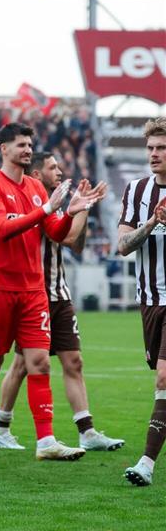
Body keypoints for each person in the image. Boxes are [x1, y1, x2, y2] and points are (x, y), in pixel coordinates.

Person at [0, 123, 105, 461]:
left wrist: (73, 211)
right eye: (21, 144)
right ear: (3, 148)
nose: (28, 149)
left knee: (40, 362)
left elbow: (56, 233)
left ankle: (46, 441)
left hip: (34, 289)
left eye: (30, 144)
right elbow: (0, 230)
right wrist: (45, 210)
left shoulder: (35, 186)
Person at [0, 153, 123, 453]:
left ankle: (86, 431)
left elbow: (75, 243)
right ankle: (1, 427)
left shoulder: (58, 209)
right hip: (32, 295)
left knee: (73, 362)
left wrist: (82, 208)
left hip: (59, 295)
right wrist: (82, 207)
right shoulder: (35, 208)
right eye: (52, 167)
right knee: (23, 364)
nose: (59, 171)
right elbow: (68, 238)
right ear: (36, 174)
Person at [119, 117, 166, 486]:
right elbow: (122, 246)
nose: (154, 154)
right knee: (162, 376)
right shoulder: (136, 191)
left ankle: (146, 463)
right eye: (150, 148)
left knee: (165, 378)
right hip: (150, 300)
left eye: (161, 148)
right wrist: (150, 223)